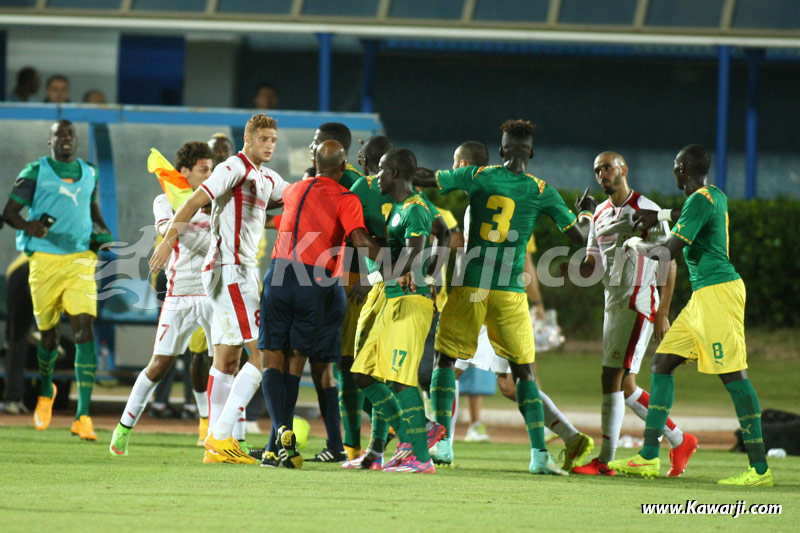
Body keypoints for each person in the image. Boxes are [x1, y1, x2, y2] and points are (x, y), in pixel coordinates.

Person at [415, 119, 594, 475]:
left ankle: (444, 445)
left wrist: (394, 170)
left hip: (470, 286)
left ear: (500, 150)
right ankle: (540, 455)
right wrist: (587, 209)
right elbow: (579, 235)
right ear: (532, 152)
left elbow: (427, 178)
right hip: (510, 292)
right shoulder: (541, 189)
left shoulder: (479, 176)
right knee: (523, 374)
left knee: (445, 362)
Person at [610, 144, 773, 486]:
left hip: (718, 293)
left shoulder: (699, 200)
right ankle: (649, 457)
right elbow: (688, 214)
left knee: (734, 376)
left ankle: (760, 470)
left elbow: (667, 252)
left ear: (682, 168)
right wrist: (662, 216)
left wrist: (634, 245)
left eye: (674, 166)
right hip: (703, 296)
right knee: (662, 362)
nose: (673, 171)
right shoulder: (712, 195)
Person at [150, 114, 287, 465]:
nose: (270, 144)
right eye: (264, 139)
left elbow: (294, 195)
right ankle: (222, 435)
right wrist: (167, 242)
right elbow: (195, 200)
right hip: (232, 272)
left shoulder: (265, 176)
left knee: (226, 361)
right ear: (249, 138)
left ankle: (216, 442)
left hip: (233, 274)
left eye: (273, 139)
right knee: (264, 355)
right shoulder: (233, 168)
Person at [566, 151, 696, 477]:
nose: (602, 175)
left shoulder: (648, 209)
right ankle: (679, 439)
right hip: (613, 302)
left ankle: (606, 460)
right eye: (597, 170)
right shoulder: (598, 212)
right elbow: (591, 262)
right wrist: (577, 227)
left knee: (612, 378)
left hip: (638, 303)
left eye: (607, 167)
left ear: (623, 169)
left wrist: (664, 312)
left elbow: (669, 262)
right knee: (624, 384)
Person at [258, 139, 383, 468]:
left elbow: (275, 213)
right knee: (297, 363)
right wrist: (394, 261)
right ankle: (287, 443)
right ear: (342, 168)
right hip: (317, 279)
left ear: (314, 161)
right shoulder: (346, 197)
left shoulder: (295, 190)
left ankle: (279, 437)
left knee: (271, 357)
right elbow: (358, 239)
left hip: (279, 271)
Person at [3, 119, 112, 440]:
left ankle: (83, 416)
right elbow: (8, 213)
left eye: (70, 134)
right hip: (45, 263)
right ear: (49, 142)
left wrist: (104, 234)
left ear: (76, 140)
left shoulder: (90, 171)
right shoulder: (36, 171)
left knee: (83, 329)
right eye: (59, 135)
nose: (65, 139)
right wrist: (28, 226)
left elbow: (93, 212)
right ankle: (46, 389)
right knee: (48, 338)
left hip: (80, 260)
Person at [109, 141, 215, 456]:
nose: (209, 175)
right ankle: (123, 429)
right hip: (180, 294)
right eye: (203, 170)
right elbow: (175, 234)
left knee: (226, 363)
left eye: (211, 169)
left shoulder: (217, 200)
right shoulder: (164, 199)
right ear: (184, 173)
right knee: (159, 365)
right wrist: (207, 225)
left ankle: (222, 435)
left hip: (213, 293)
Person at [351, 147, 438, 474]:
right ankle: (415, 434)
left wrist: (413, 270)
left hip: (409, 300)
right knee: (363, 374)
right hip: (390, 295)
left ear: (397, 174)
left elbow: (415, 251)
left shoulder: (415, 208)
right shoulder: (398, 209)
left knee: (400, 378)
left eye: (383, 171)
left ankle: (421, 458)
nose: (377, 178)